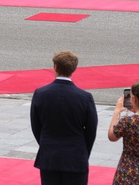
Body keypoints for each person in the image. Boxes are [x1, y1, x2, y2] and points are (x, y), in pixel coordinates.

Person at [30, 50, 98, 185]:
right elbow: (91, 130)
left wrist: (46, 144)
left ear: (55, 67)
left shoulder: (40, 94)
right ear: (74, 69)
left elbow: (36, 126)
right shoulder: (85, 97)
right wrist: (83, 152)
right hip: (76, 156)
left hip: (49, 156)